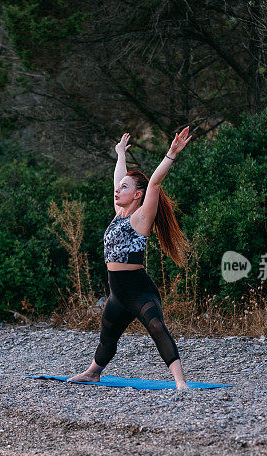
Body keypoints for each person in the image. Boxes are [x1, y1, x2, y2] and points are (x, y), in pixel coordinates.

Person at [68, 128, 192, 389]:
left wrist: (171, 154)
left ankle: (180, 382)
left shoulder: (141, 217)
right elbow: (118, 178)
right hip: (117, 293)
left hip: (138, 290)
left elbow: (155, 183)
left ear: (138, 194)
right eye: (118, 187)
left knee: (157, 326)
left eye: (124, 188)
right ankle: (93, 372)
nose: (117, 190)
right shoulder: (119, 214)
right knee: (107, 337)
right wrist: (120, 153)